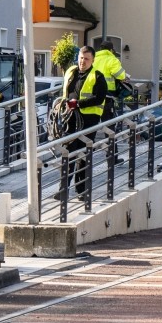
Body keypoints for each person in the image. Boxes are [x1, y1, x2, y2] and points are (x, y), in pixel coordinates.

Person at [56, 45, 107, 206]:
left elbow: (98, 98)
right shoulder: (71, 72)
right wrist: (63, 105)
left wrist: (78, 104)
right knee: (68, 152)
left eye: (86, 59)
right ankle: (63, 189)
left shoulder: (97, 76)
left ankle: (81, 191)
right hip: (70, 118)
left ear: (92, 60)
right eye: (80, 58)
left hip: (88, 120)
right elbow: (65, 92)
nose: (82, 62)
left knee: (83, 156)